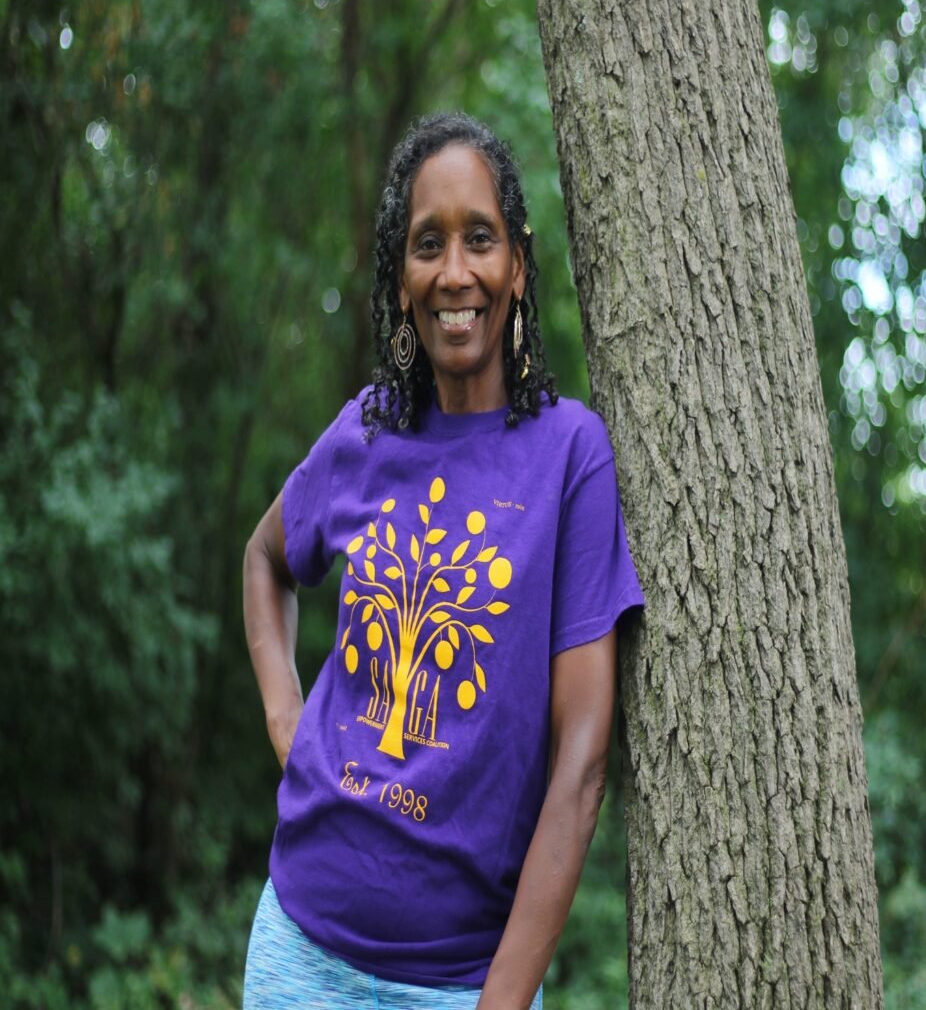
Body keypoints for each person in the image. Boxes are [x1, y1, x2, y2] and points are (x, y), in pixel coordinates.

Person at [242, 112, 644, 1009]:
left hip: (459, 981)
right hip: (298, 951)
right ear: (401, 278)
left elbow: (581, 764)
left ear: (518, 266)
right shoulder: (367, 431)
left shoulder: (570, 457)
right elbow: (265, 560)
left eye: (480, 240)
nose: (454, 272)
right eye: (429, 244)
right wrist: (285, 720)